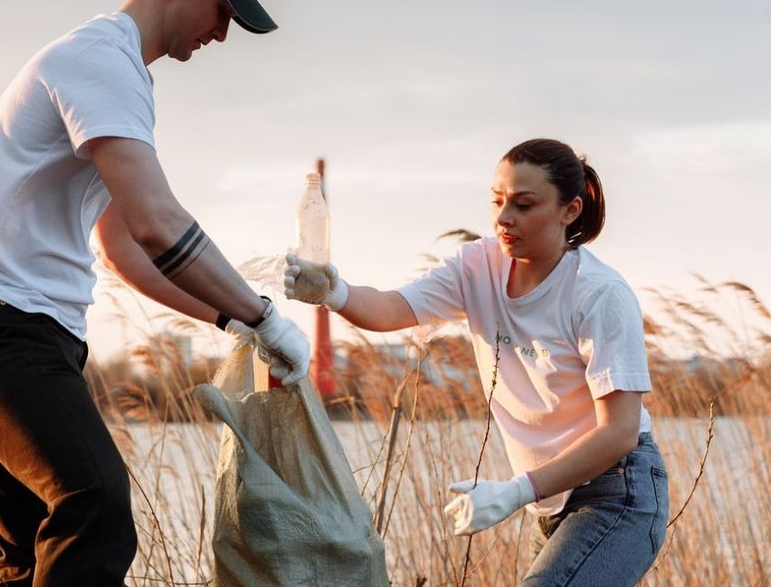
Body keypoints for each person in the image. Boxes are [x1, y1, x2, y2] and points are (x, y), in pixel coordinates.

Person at [0, 0, 311, 587]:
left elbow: (128, 249)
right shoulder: (100, 61)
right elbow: (159, 222)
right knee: (93, 505)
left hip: (15, 331)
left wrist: (232, 320)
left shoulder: (116, 78)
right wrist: (265, 314)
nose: (221, 34)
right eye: (222, 11)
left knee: (28, 552)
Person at [284, 138, 668, 586]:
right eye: (498, 201)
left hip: (617, 492)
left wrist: (515, 491)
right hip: (546, 497)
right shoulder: (478, 265)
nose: (504, 217)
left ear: (571, 210)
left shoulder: (598, 293)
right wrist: (334, 292)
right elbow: (393, 307)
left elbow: (620, 431)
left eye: (524, 205)